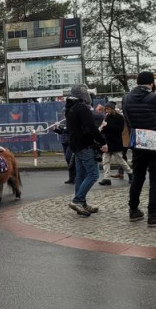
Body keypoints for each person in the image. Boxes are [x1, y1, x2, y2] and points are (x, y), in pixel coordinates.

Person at [122, 71, 156, 225]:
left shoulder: (126, 97)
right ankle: (153, 214)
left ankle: (133, 210)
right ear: (151, 83)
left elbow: (126, 117)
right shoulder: (154, 97)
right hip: (154, 139)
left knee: (138, 176)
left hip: (137, 138)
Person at [65, 84, 107, 216]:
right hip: (84, 145)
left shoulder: (70, 108)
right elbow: (91, 127)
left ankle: (81, 203)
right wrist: (102, 142)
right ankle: (78, 200)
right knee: (94, 174)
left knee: (81, 175)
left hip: (76, 145)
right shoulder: (82, 108)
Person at [98, 102, 132, 186]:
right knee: (105, 160)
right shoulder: (107, 117)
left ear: (112, 109)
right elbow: (105, 130)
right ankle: (106, 178)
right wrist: (102, 128)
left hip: (116, 142)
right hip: (108, 142)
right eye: (106, 109)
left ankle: (131, 173)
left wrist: (108, 126)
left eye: (108, 109)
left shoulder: (120, 117)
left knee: (120, 160)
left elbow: (119, 129)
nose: (107, 111)